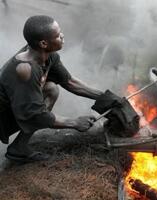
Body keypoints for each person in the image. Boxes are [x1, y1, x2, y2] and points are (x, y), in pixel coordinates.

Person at [0, 15, 112, 163]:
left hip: (15, 108)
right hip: (3, 116)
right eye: (58, 35)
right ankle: (17, 152)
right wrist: (74, 122)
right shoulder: (26, 70)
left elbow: (70, 82)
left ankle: (19, 148)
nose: (62, 36)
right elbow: (36, 115)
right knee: (38, 108)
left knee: (51, 89)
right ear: (44, 43)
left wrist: (105, 97)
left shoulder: (46, 56)